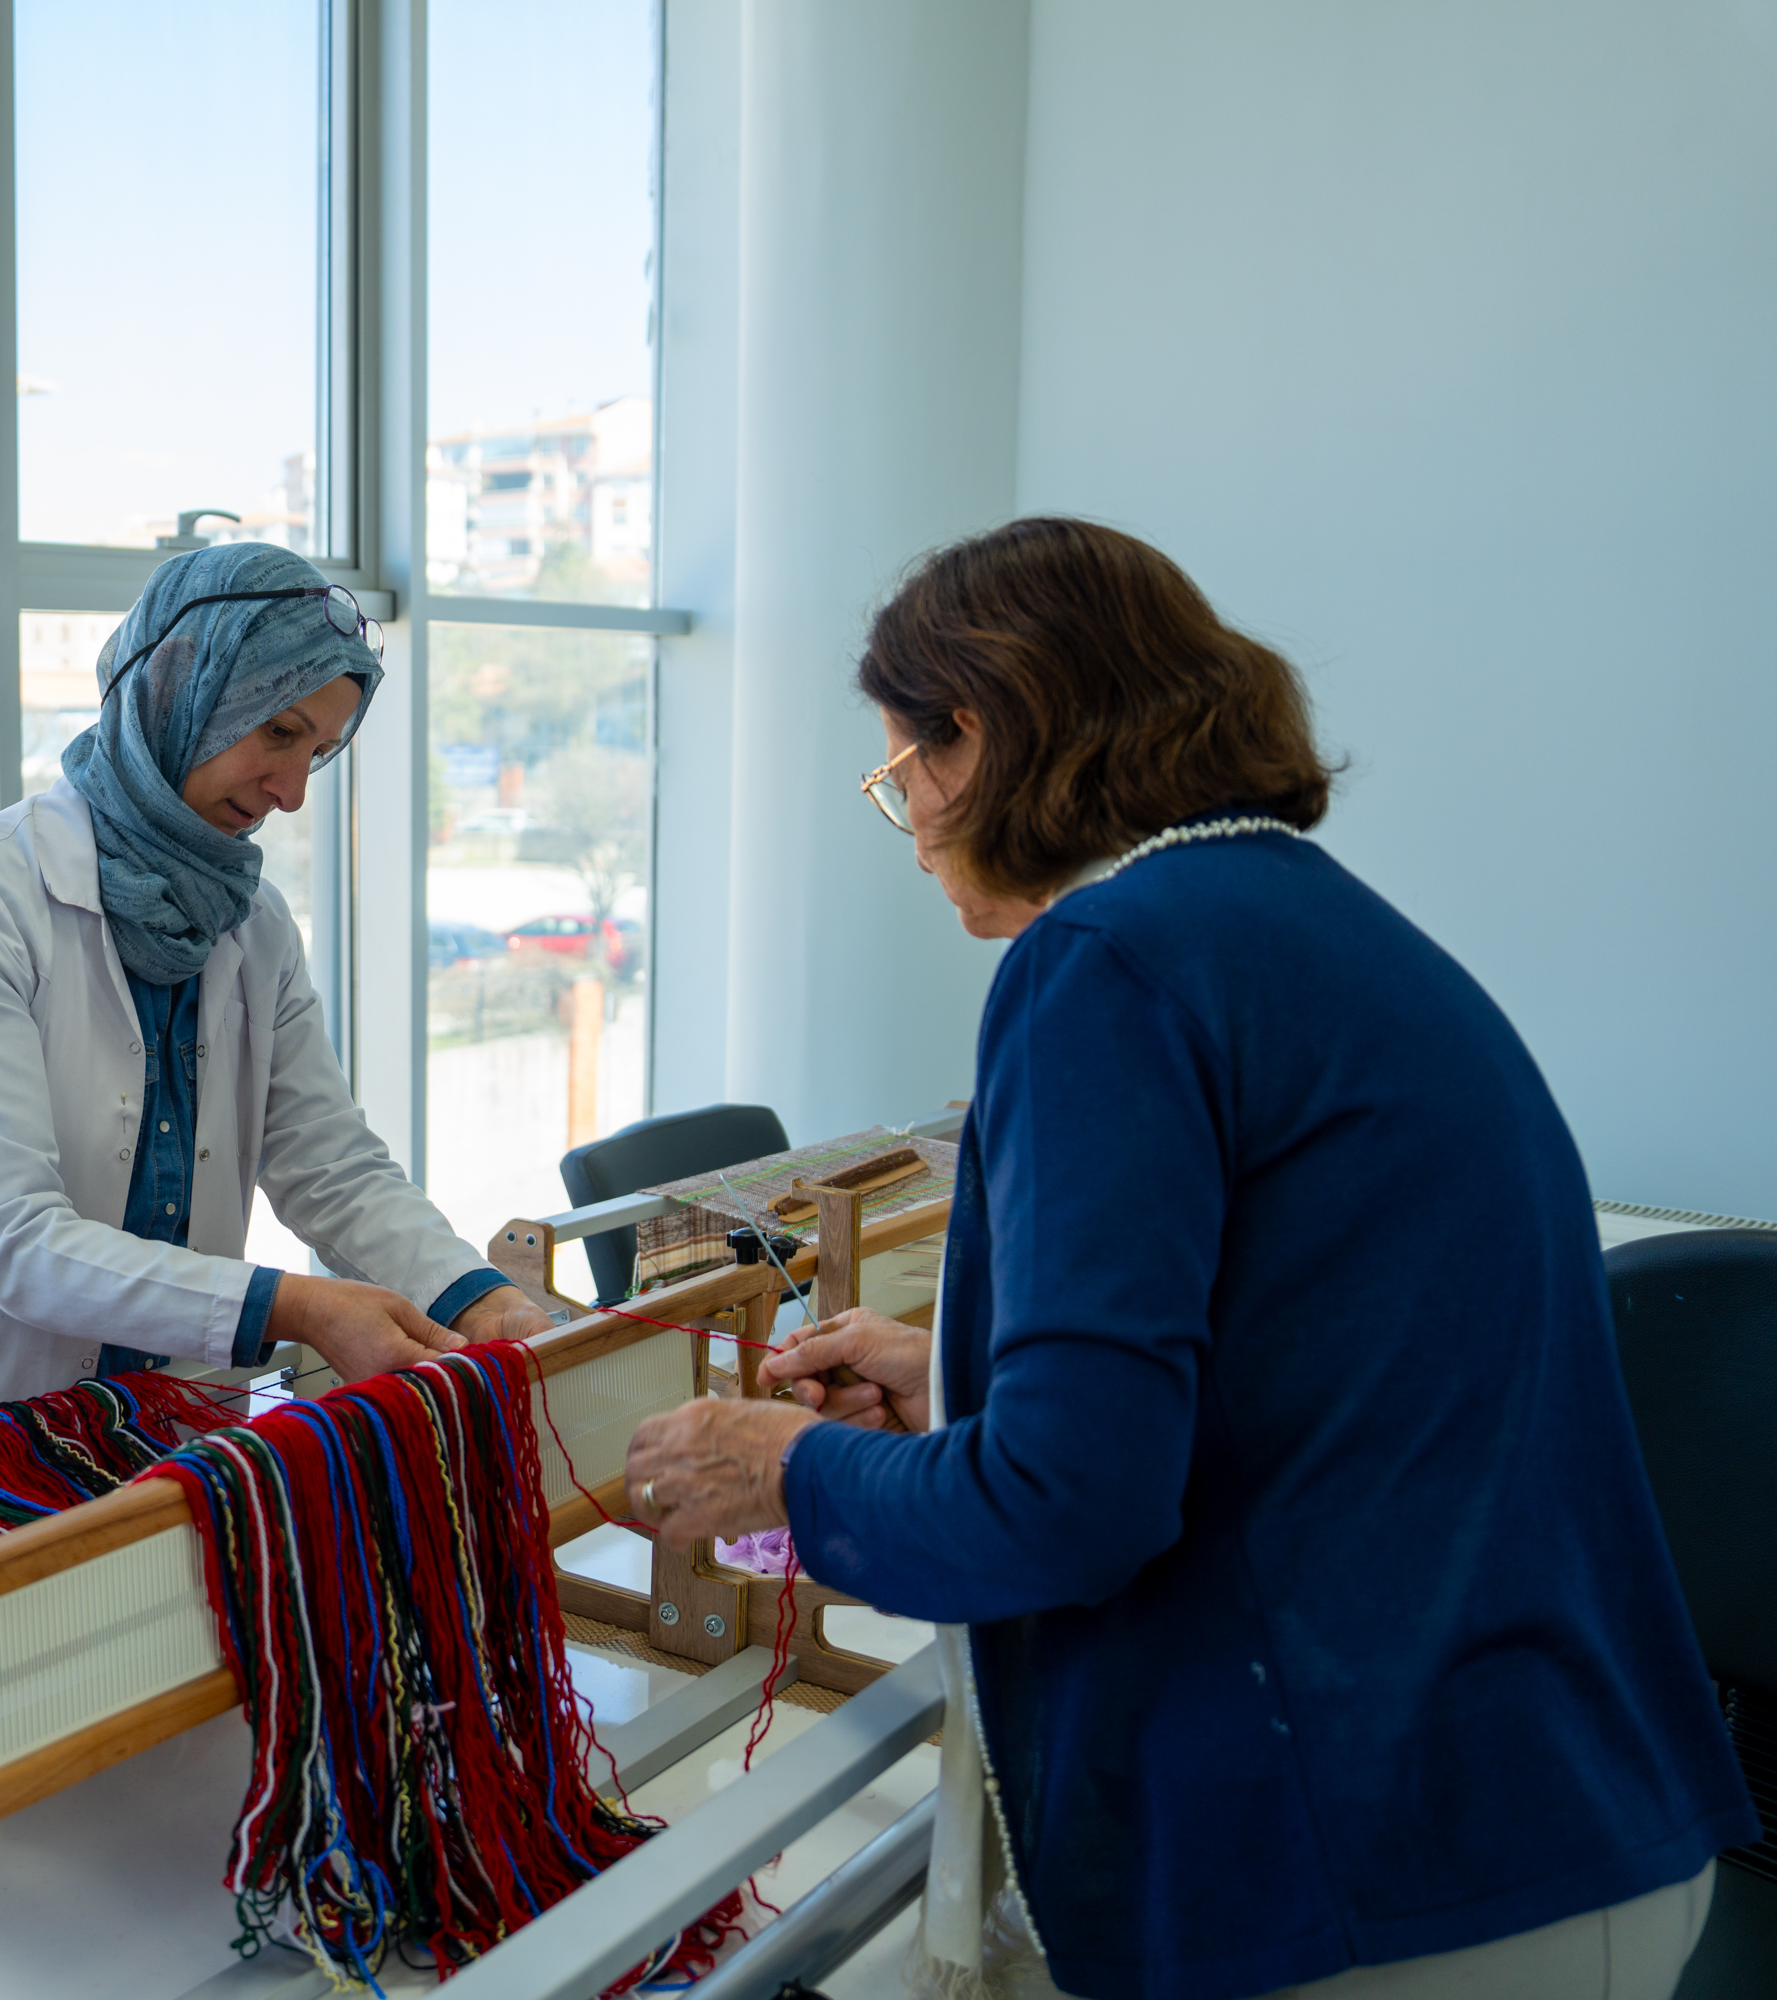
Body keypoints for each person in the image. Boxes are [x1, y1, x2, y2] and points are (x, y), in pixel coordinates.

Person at [622, 519, 1753, 2000]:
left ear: (978, 737)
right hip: (1552, 1816)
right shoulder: (1304, 924)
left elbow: (1070, 1509)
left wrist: (792, 1472)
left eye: (901, 776)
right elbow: (1319, 1372)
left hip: (1385, 1874)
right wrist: (960, 1382)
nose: (914, 831)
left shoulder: (1103, 961)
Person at [0, 542, 553, 1472]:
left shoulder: (252, 922)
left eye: (318, 752)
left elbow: (330, 1164)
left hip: (156, 1431)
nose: (292, 794)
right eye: (279, 732)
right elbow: (12, 1238)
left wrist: (472, 1295)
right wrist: (295, 1307)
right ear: (181, 689)